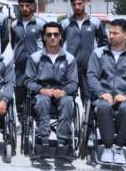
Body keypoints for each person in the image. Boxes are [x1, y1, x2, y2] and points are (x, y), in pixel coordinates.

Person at [87, 19, 126, 164]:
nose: (111, 36)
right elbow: (91, 76)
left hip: (125, 97)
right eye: (110, 32)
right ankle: (107, 148)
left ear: (125, 34)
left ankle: (118, 148)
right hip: (103, 96)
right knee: (104, 106)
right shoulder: (98, 53)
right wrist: (101, 92)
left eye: (115, 33)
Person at [24, 22, 78, 159]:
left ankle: (62, 143)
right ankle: (44, 141)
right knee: (42, 101)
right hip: (42, 93)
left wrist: (64, 91)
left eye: (56, 34)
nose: (52, 37)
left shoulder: (69, 59)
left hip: (62, 93)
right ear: (44, 37)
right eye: (49, 35)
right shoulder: (35, 58)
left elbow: (74, 83)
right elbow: (28, 81)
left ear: (61, 37)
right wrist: (41, 89)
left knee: (68, 102)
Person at [61, 0, 108, 103]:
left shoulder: (95, 22)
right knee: (67, 98)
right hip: (70, 68)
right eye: (74, 4)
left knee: (88, 98)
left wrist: (99, 60)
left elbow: (104, 42)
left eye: (79, 3)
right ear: (71, 5)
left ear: (85, 3)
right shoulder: (65, 23)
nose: (77, 7)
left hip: (89, 67)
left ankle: (88, 120)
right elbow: (58, 44)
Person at [11, 0, 45, 120]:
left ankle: (35, 120)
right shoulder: (14, 25)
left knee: (35, 92)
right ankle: (21, 119)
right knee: (19, 92)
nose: (24, 8)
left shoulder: (41, 24)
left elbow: (48, 45)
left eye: (27, 5)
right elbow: (14, 43)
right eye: (21, 6)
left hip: (36, 66)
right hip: (19, 65)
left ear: (33, 6)